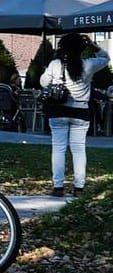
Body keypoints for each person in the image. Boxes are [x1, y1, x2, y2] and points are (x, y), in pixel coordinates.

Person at [40, 32, 108, 197]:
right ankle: (79, 188)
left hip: (59, 111)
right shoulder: (89, 64)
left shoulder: (56, 64)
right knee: (78, 150)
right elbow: (106, 58)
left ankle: (58, 187)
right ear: (82, 49)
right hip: (81, 111)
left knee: (58, 148)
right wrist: (93, 46)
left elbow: (43, 82)